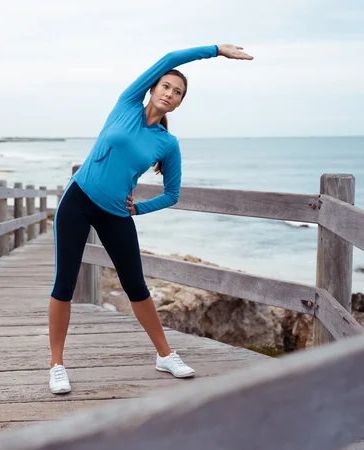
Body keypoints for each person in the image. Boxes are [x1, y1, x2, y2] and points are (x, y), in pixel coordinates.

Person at [48, 44, 254, 394]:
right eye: (166, 87)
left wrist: (139, 209)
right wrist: (217, 51)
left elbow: (173, 193)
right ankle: (56, 365)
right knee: (64, 283)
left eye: (178, 93)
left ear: (179, 102)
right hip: (78, 199)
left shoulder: (167, 144)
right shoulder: (126, 105)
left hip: (116, 213)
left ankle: (165, 355)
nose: (170, 94)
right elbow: (169, 60)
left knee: (136, 287)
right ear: (154, 88)